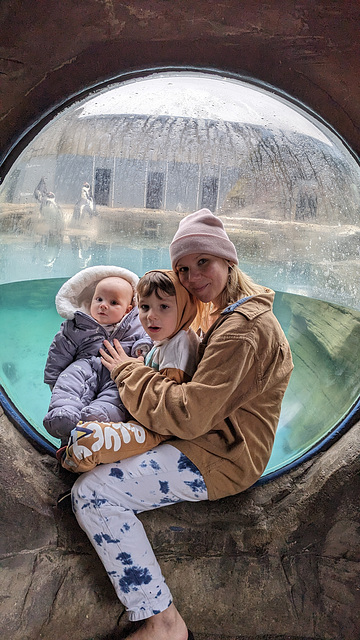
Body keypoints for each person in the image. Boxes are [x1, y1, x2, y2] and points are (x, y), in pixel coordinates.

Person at [71, 209, 294, 640]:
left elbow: (189, 415)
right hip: (211, 441)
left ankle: (163, 621)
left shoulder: (242, 330)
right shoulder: (225, 313)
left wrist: (127, 372)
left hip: (221, 457)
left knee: (95, 494)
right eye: (183, 269)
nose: (192, 277)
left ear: (228, 259)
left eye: (202, 262)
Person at [60, 269, 200, 472]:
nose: (151, 316)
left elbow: (166, 412)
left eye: (164, 307)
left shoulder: (179, 346)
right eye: (145, 307)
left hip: (155, 429)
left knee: (86, 439)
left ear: (185, 307)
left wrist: (128, 370)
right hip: (145, 415)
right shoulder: (169, 337)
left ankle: (71, 471)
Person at [43, 265, 152, 445]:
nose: (103, 305)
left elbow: (149, 338)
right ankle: (64, 415)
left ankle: (98, 419)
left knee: (118, 396)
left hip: (116, 374)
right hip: (84, 366)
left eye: (113, 302)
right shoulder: (78, 324)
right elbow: (59, 350)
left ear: (127, 309)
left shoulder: (138, 323)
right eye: (99, 299)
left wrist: (142, 349)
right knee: (68, 381)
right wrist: (53, 377)